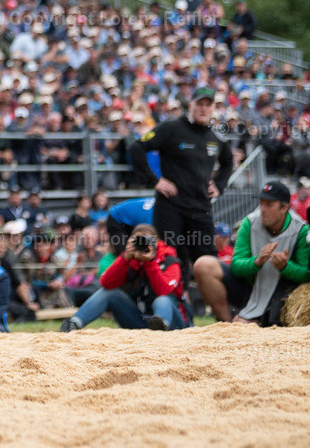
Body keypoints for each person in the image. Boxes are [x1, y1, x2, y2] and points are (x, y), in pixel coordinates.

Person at [129, 86, 233, 275]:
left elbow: (228, 162)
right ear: (190, 105)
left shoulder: (215, 136)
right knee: (170, 259)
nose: (203, 109)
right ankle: (172, 303)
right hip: (171, 207)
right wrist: (155, 180)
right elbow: (136, 148)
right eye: (199, 104)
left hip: (201, 208)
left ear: (213, 108)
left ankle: (209, 303)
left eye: (208, 105)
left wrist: (219, 185)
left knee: (209, 262)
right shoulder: (172, 127)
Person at [193, 182, 309, 325]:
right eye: (261, 204)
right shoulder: (249, 222)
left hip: (280, 295)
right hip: (249, 288)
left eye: (269, 205)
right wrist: (256, 262)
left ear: (284, 208)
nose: (262, 210)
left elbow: (306, 274)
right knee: (203, 264)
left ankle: (253, 321)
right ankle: (226, 324)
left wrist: (285, 267)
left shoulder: (301, 230)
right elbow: (236, 265)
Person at [60, 224, 188, 332]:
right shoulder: (132, 262)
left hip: (173, 325)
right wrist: (125, 257)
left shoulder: (170, 261)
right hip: (142, 324)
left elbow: (163, 291)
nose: (142, 244)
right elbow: (105, 283)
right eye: (137, 241)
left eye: (146, 240)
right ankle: (74, 323)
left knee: (162, 300)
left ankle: (160, 326)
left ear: (157, 242)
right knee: (109, 293)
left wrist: (150, 262)